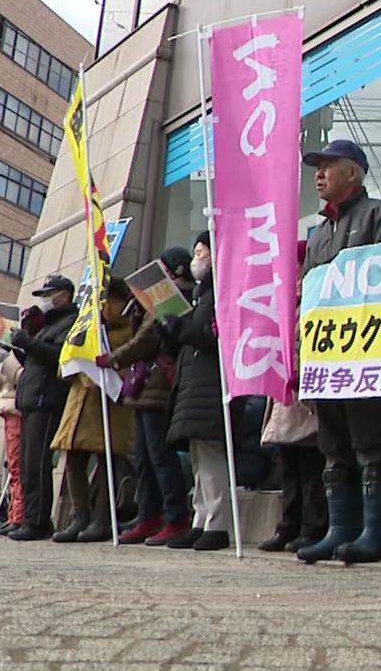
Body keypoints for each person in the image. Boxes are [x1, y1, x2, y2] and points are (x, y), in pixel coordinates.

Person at [295, 140, 381, 565]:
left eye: (328, 166)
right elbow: (308, 302)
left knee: (370, 440)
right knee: (334, 445)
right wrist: (302, 360)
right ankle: (340, 530)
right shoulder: (320, 234)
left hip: (368, 356)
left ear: (354, 173)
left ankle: (377, 534)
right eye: (317, 167)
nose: (319, 174)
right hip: (327, 362)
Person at [108, 248, 195, 546]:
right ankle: (148, 515)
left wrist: (113, 358)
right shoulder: (150, 303)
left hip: (160, 387)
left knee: (160, 455)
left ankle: (175, 517)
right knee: (144, 457)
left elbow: (147, 340)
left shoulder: (176, 300)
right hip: (146, 386)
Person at [50, 278, 138, 543]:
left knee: (106, 462)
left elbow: (128, 365)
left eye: (109, 300)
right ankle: (80, 515)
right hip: (80, 400)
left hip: (108, 405)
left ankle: (102, 518)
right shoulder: (87, 326)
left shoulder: (129, 330)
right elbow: (67, 357)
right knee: (74, 459)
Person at [163, 233, 233, 552]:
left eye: (201, 252)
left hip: (210, 384)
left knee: (211, 456)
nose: (196, 260)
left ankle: (217, 523)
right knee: (199, 458)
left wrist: (184, 329)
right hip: (193, 383)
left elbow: (216, 337)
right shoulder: (201, 294)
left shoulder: (224, 291)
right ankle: (201, 519)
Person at [259, 241, 327, 554]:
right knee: (289, 463)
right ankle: (289, 525)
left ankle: (312, 526)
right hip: (285, 396)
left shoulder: (314, 296)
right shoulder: (283, 301)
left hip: (307, 394)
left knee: (310, 464)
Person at [5, 276, 78, 542]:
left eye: (50, 294)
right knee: (26, 464)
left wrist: (28, 342)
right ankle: (29, 516)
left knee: (36, 463)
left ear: (64, 295)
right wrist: (18, 345)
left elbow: (58, 355)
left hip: (46, 399)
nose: (45, 300)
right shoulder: (48, 325)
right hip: (31, 398)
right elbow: (36, 356)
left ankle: (37, 521)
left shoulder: (70, 322)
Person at [0, 339, 27, 535]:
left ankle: (19, 515)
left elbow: (22, 378)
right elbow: (0, 385)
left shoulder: (20, 354)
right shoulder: (9, 355)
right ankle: (13, 514)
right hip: (8, 409)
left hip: (18, 410)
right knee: (12, 466)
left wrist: (8, 360)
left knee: (17, 466)